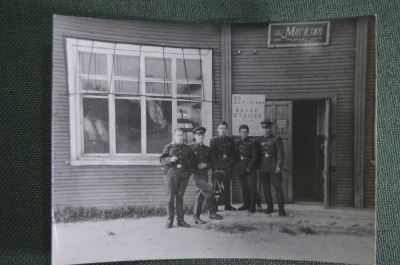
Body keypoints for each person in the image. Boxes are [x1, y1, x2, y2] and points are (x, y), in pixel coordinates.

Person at [160, 128, 193, 228]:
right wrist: (170, 159)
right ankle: (170, 220)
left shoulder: (188, 148)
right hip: (171, 175)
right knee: (170, 199)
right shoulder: (168, 147)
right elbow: (162, 159)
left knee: (180, 198)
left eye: (181, 135)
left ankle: (180, 220)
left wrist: (187, 175)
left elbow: (191, 163)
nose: (180, 137)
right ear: (174, 136)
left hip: (183, 177)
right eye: (178, 135)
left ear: (184, 136)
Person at [190, 127, 223, 224]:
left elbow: (211, 162)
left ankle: (196, 217)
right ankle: (211, 212)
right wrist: (197, 166)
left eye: (202, 135)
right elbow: (189, 163)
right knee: (209, 190)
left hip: (204, 175)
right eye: (198, 135)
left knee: (200, 196)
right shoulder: (191, 148)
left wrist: (206, 165)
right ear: (195, 136)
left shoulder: (207, 149)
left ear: (204, 136)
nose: (200, 137)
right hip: (196, 176)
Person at [257, 120, 286, 216]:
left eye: (268, 128)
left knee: (278, 188)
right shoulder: (259, 140)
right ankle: (269, 208)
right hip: (262, 168)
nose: (266, 130)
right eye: (264, 128)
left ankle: (281, 209)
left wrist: (278, 166)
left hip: (274, 167)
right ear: (262, 129)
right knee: (266, 189)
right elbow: (257, 155)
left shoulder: (276, 139)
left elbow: (280, 154)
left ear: (271, 128)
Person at [209, 121, 236, 211]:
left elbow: (233, 154)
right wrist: (215, 168)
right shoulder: (213, 140)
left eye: (224, 128)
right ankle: (215, 206)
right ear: (217, 129)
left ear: (226, 129)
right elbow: (212, 156)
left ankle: (227, 205)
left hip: (227, 167)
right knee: (215, 186)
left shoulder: (230, 140)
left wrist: (230, 164)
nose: (222, 130)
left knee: (227, 186)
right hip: (218, 167)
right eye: (221, 128)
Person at [235, 125, 259, 213]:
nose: (244, 134)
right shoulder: (237, 143)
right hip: (241, 169)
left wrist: (249, 167)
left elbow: (254, 157)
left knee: (252, 187)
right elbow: (236, 157)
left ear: (248, 133)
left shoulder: (253, 143)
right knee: (244, 187)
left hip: (250, 169)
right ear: (239, 133)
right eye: (242, 132)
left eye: (245, 132)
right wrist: (239, 167)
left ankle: (252, 206)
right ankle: (246, 204)